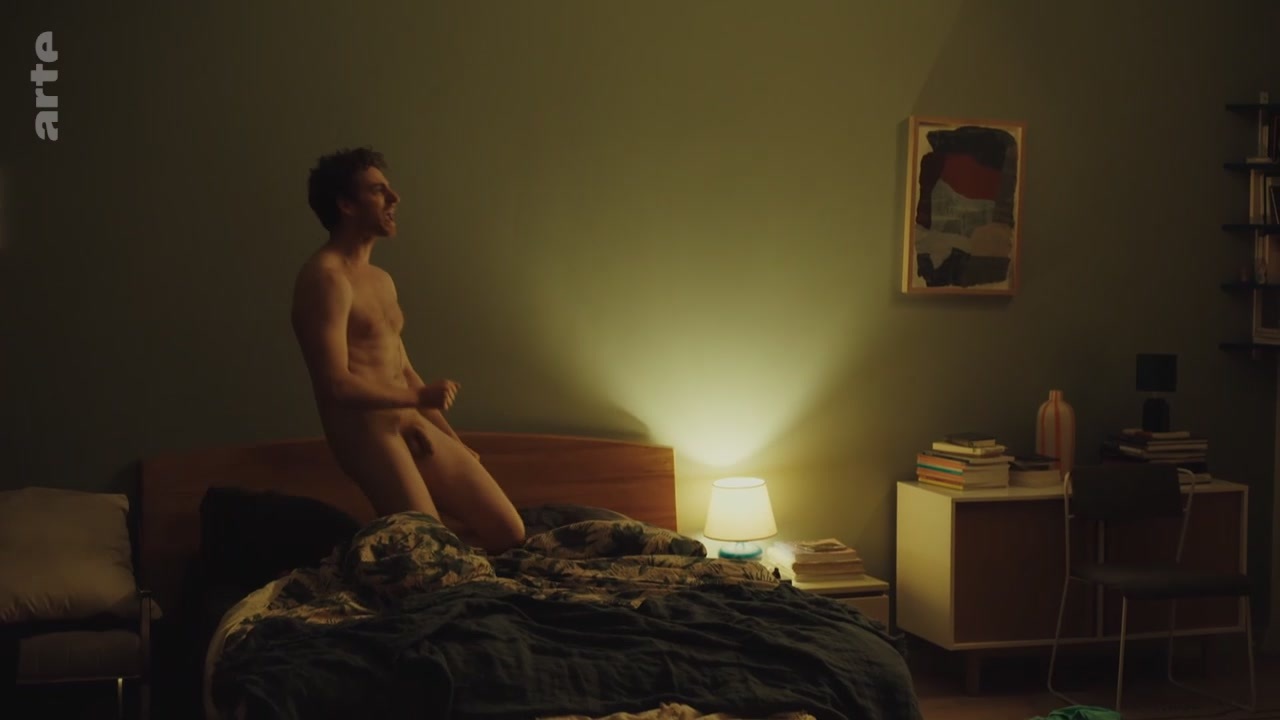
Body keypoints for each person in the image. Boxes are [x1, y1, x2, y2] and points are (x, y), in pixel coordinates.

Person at [290, 147, 525, 553]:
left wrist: (453, 440)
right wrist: (417, 398)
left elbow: (403, 369)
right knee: (430, 548)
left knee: (509, 532)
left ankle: (460, 559)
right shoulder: (325, 279)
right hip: (368, 436)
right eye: (378, 191)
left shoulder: (381, 280)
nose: (394, 198)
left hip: (411, 420)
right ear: (346, 204)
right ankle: (413, 561)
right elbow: (336, 384)